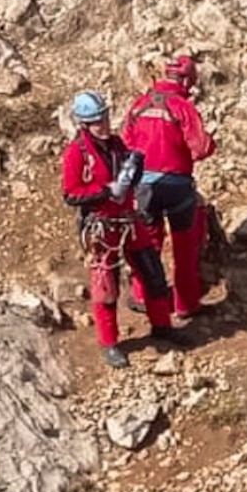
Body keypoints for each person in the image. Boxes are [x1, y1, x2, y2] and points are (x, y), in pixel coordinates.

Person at [59, 91, 171, 369]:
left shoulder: (117, 145)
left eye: (104, 118)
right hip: (100, 225)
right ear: (84, 124)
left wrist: (134, 171)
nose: (103, 125)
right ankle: (110, 344)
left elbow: (130, 178)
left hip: (128, 218)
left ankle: (162, 327)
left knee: (152, 272)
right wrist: (104, 190)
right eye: (96, 121)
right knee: (105, 286)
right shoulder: (77, 153)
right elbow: (71, 194)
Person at [123, 54, 215, 328]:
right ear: (187, 79)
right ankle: (186, 304)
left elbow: (126, 143)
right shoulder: (182, 107)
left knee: (147, 245)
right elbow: (199, 148)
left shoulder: (139, 105)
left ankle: (143, 297)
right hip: (177, 186)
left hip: (144, 187)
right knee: (185, 246)